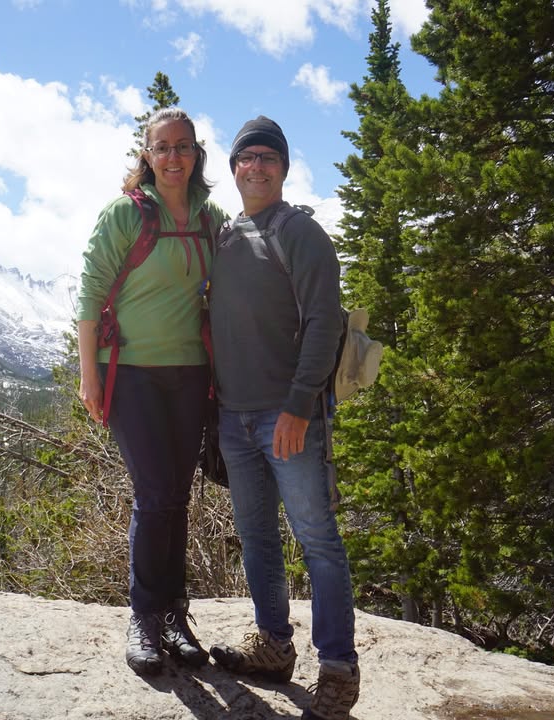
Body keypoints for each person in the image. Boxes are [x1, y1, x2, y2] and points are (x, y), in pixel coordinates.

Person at [207, 116, 360, 719]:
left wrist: (298, 405)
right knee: (257, 537)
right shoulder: (225, 236)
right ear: (234, 169)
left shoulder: (300, 232)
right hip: (234, 417)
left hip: (288, 415)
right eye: (246, 158)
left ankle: (339, 669)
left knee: (317, 539)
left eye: (267, 158)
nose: (256, 167)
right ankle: (273, 644)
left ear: (284, 168)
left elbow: (325, 323)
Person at [75, 107, 227, 676]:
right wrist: (89, 375)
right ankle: (144, 616)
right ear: (147, 156)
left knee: (178, 495)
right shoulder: (125, 214)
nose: (173, 157)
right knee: (155, 491)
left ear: (196, 152)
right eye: (162, 147)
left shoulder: (210, 218)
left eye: (182, 146)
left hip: (190, 373)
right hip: (130, 372)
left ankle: (173, 616)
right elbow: (90, 295)